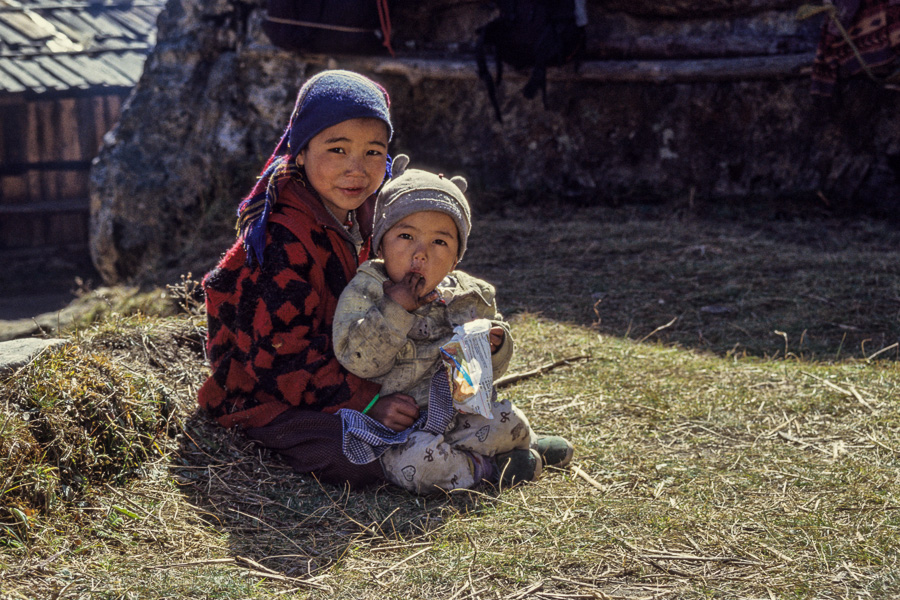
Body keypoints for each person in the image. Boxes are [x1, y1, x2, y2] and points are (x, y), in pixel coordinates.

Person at [197, 70, 421, 489]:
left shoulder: (369, 215)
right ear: (300, 152)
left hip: (348, 362)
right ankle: (453, 460)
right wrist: (367, 402)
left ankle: (489, 442)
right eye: (337, 149)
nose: (357, 169)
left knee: (438, 392)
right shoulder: (282, 237)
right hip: (266, 390)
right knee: (350, 453)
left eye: (374, 152)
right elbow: (279, 358)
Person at [332, 156, 573, 494]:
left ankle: (524, 442)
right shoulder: (367, 289)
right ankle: (488, 468)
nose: (421, 253)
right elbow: (355, 357)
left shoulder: (469, 294)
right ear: (380, 244)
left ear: (457, 256)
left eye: (440, 242)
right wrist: (396, 308)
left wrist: (496, 344)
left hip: (462, 412)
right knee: (419, 466)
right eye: (405, 235)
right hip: (405, 427)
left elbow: (491, 370)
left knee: (506, 419)